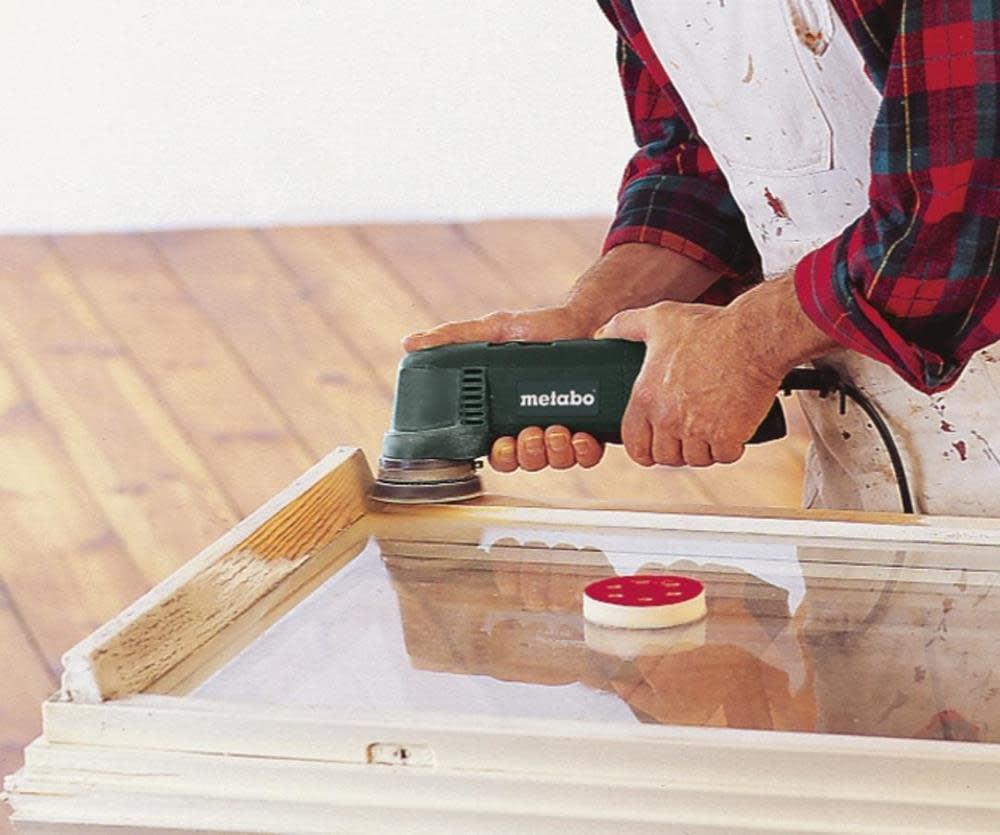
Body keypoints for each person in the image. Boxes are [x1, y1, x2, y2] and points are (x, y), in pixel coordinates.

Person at [405, 0, 1000, 514]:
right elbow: (702, 161)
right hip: (869, 450)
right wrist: (588, 320)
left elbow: (967, 212)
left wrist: (745, 344)